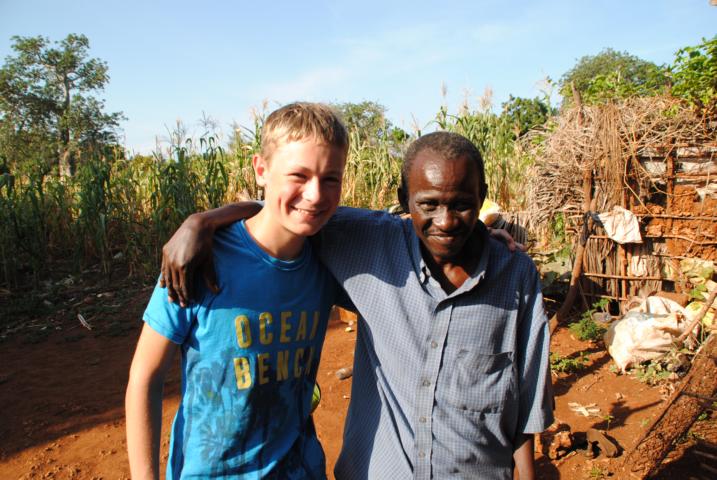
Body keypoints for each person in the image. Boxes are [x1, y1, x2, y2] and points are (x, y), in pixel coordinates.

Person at [162, 132, 553, 480]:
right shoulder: (369, 245)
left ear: (482, 197)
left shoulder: (514, 276)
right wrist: (203, 221)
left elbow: (525, 403)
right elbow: (287, 208)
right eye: (429, 204)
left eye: (462, 205)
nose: (446, 221)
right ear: (404, 199)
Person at [125, 102, 353, 479]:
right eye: (298, 175)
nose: (315, 194)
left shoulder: (330, 256)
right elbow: (145, 377)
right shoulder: (199, 259)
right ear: (261, 170)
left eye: (331, 178)